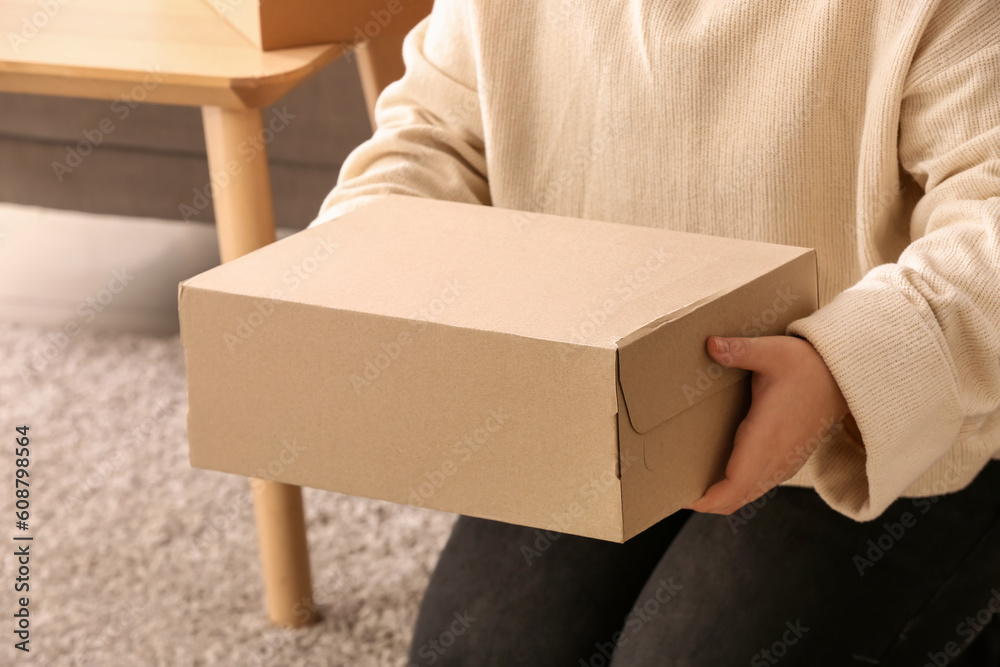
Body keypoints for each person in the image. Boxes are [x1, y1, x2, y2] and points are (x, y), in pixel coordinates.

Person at [309, 1, 1000, 664]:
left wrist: (841, 368)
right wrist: (357, 252)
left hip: (888, 427)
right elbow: (438, 131)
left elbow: (988, 212)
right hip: (600, 406)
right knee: (479, 654)